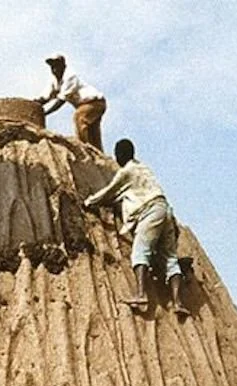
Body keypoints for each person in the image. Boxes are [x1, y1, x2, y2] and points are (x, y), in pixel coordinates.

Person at [84, 139, 189, 316]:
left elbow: (109, 191)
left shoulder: (126, 172)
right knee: (170, 258)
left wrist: (88, 201)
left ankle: (140, 294)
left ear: (120, 155)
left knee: (140, 251)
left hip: (149, 211)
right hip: (165, 210)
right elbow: (125, 194)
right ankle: (178, 303)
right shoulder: (144, 169)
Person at [36, 54, 107, 150]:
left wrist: (45, 113)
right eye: (52, 66)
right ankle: (98, 154)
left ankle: (83, 148)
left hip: (95, 103)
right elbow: (46, 97)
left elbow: (61, 100)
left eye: (56, 65)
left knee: (79, 117)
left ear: (63, 65)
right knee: (93, 134)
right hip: (89, 104)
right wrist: (31, 104)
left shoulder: (70, 77)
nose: (54, 69)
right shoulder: (55, 80)